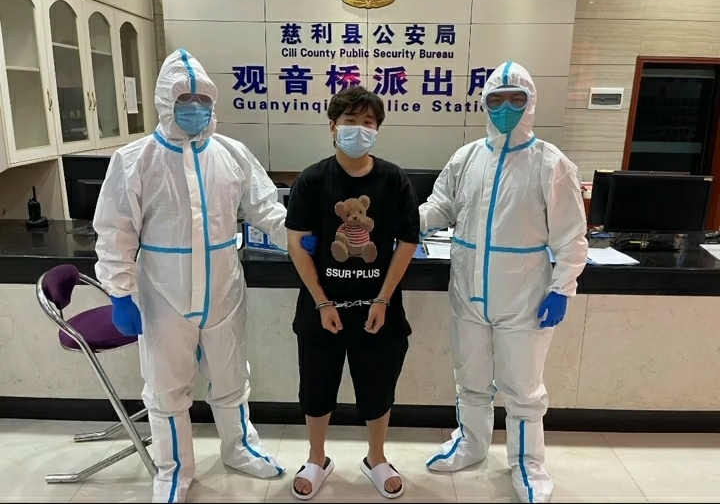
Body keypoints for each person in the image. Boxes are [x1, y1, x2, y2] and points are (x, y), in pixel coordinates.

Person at [94, 49, 307, 503]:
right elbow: (115, 230)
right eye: (184, 98)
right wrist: (119, 292)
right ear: (165, 101)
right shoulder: (135, 159)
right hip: (163, 294)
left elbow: (264, 206)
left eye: (203, 99)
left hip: (223, 289)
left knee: (231, 377)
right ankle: (173, 471)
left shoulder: (231, 153)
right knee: (167, 388)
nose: (195, 107)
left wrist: (293, 235)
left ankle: (240, 449)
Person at [420, 61, 588, 503]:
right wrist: (397, 223)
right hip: (468, 293)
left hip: (524, 296)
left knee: (523, 389)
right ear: (484, 104)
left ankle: (528, 464)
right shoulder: (467, 158)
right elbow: (439, 207)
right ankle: (471, 444)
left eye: (517, 99)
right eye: (497, 100)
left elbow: (572, 236)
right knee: (471, 378)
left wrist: (562, 287)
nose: (506, 108)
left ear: (531, 103)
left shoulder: (551, 163)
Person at [286, 85, 420, 500]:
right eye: (350, 121)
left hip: (378, 308)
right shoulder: (312, 179)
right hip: (321, 306)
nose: (359, 129)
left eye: (368, 122)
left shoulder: (394, 180)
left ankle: (376, 458)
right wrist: (322, 301)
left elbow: (407, 242)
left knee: (378, 387)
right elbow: (296, 243)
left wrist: (383, 298)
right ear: (333, 127)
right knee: (316, 387)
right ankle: (317, 458)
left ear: (377, 129)